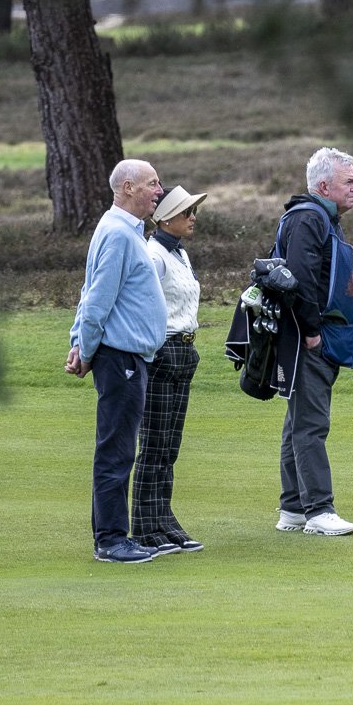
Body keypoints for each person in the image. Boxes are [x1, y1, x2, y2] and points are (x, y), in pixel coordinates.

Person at [67, 159, 169, 563]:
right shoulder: (119, 234)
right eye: (152, 184)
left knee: (119, 446)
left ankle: (112, 535)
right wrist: (85, 349)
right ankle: (111, 539)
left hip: (128, 356)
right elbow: (96, 300)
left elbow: (89, 289)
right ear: (128, 187)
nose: (159, 191)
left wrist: (80, 342)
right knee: (117, 449)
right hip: (120, 357)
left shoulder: (122, 231)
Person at [273, 147, 353, 536]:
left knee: (298, 422)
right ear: (324, 185)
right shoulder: (310, 219)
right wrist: (311, 331)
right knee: (311, 424)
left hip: (318, 334)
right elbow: (300, 279)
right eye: (349, 181)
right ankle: (318, 510)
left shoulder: (322, 218)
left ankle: (293, 508)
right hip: (310, 337)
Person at [131, 185, 208, 555]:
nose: (192, 218)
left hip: (185, 351)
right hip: (162, 351)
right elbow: (143, 305)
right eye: (185, 212)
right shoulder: (154, 254)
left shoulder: (181, 255)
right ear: (164, 219)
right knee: (154, 444)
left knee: (169, 447)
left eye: (192, 212)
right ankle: (145, 527)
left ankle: (163, 519)